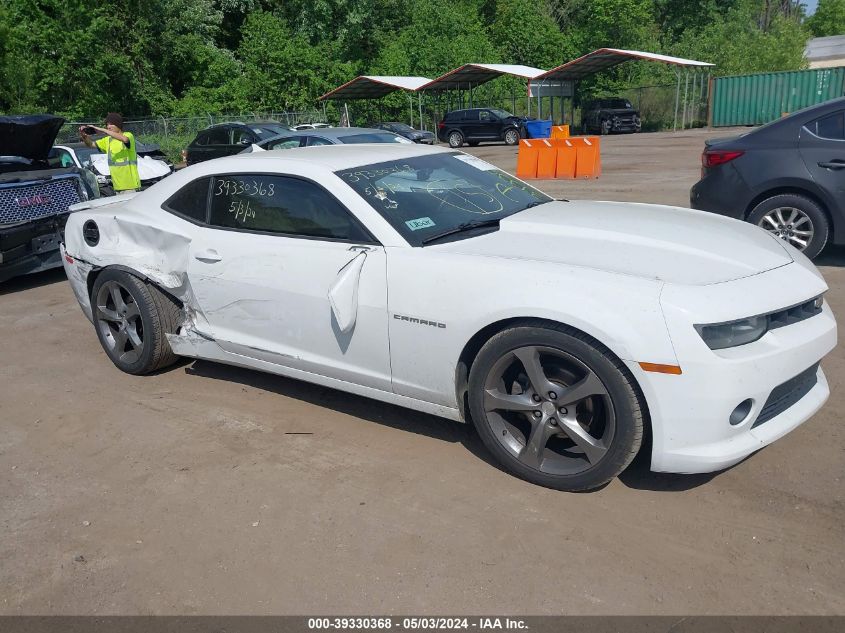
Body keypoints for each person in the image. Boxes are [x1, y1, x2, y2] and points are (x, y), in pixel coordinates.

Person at [79, 112, 141, 193]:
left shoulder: (128, 135)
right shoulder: (108, 140)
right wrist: (84, 137)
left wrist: (102, 130)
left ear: (118, 125)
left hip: (131, 187)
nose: (108, 127)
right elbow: (91, 144)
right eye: (107, 124)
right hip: (117, 187)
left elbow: (125, 140)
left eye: (111, 124)